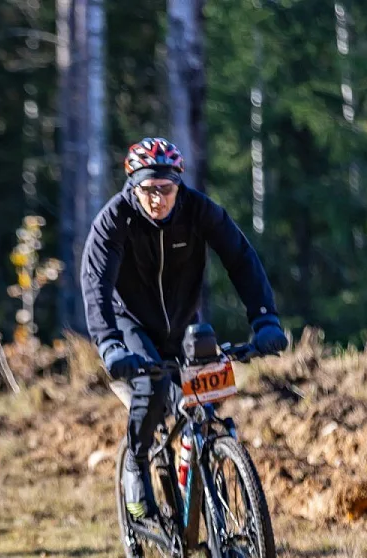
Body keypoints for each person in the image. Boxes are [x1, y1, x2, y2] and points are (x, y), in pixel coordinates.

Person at [82, 137, 288, 528]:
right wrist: (108, 343)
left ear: (179, 184)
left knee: (202, 408)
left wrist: (264, 319)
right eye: (148, 189)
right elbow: (96, 285)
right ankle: (136, 463)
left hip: (183, 323)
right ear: (133, 186)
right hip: (131, 323)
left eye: (166, 189)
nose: (157, 198)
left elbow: (241, 259)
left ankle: (213, 514)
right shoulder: (115, 220)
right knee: (154, 386)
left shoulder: (198, 210)